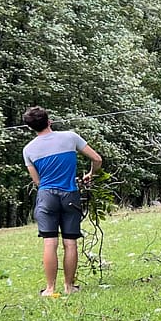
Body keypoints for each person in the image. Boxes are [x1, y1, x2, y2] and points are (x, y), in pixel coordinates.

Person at [20, 107, 103, 297]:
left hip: (46, 196)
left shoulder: (28, 149)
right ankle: (69, 286)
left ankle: (50, 289)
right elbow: (97, 159)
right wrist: (91, 173)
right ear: (49, 121)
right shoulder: (70, 137)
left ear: (31, 127)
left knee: (50, 242)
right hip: (70, 195)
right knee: (70, 243)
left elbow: (37, 181)